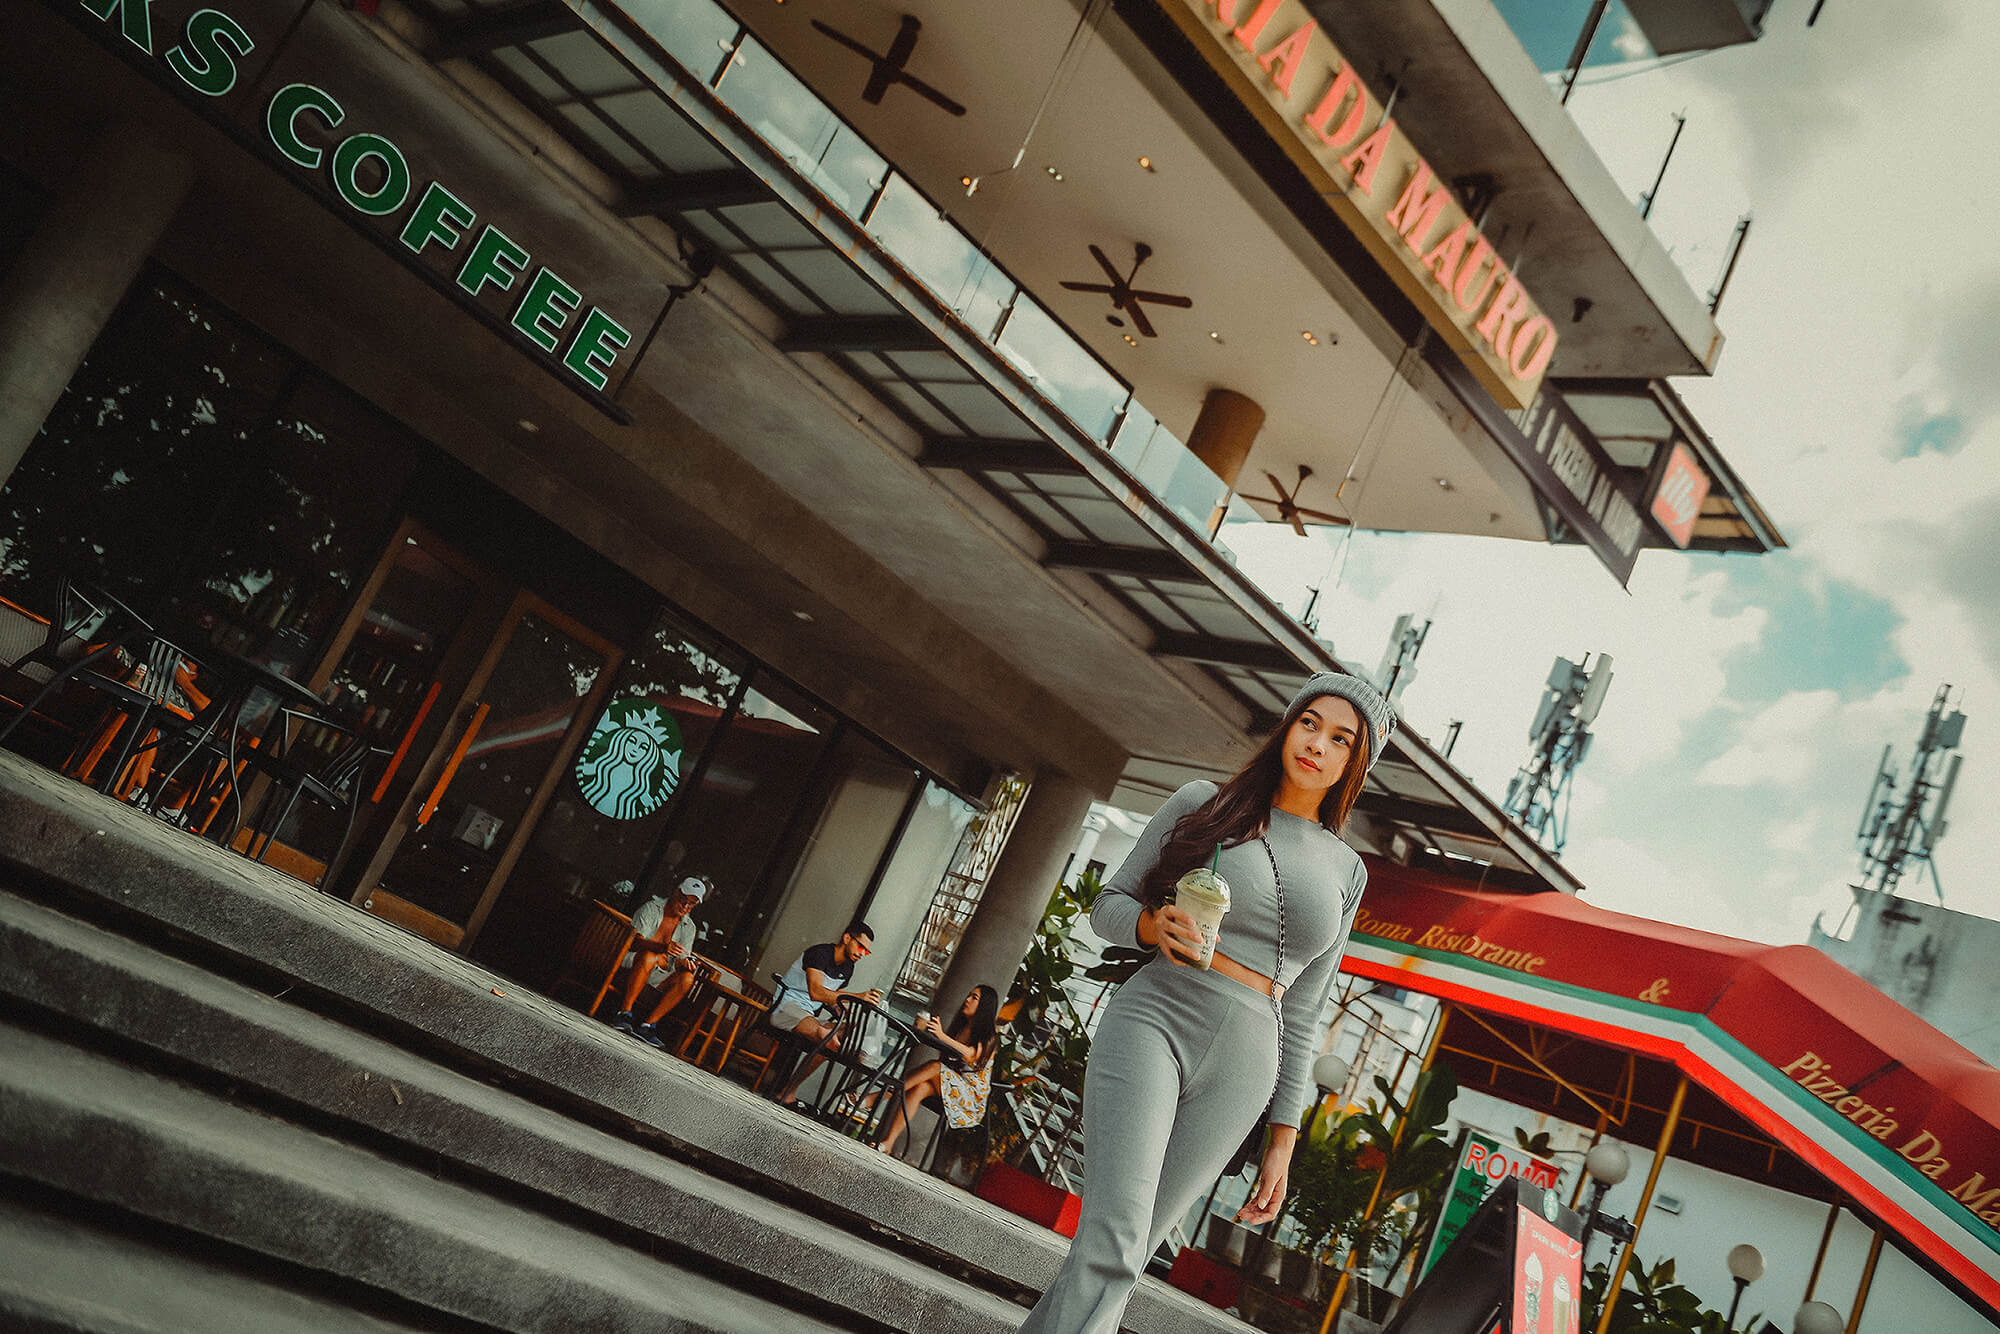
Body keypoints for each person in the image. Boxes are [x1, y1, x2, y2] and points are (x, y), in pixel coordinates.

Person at [1016, 671, 1394, 1334]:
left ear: (1353, 764)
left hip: (1248, 1062)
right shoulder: (1205, 803)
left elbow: (1305, 1013)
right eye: (1310, 723)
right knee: (1115, 1241)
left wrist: (1282, 1142)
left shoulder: (1347, 870)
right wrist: (1149, 926)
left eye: (1341, 739)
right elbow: (1108, 904)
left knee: (1123, 1259)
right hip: (1156, 1019)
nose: (1318, 744)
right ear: (1289, 724)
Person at [872, 983, 1000, 1156]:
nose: (967, 1000)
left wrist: (942, 1036)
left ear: (984, 1006)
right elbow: (948, 1056)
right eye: (969, 995)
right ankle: (888, 1143)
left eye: (974, 997)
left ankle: (879, 1095)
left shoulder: (990, 1038)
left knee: (935, 1066)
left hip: (971, 1101)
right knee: (920, 1088)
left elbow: (970, 1056)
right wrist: (928, 1031)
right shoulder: (961, 1028)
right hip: (952, 1087)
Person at [771, 920, 882, 1103]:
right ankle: (787, 1093)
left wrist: (841, 1010)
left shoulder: (848, 968)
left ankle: (853, 1085)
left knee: (852, 1032)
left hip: (809, 1016)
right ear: (847, 938)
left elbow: (832, 997)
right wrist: (856, 997)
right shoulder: (820, 953)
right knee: (829, 1040)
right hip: (785, 1009)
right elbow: (816, 992)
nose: (862, 954)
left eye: (866, 951)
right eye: (860, 946)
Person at [607, 875, 712, 1048]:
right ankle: (624, 1013)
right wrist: (661, 948)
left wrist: (684, 964)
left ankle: (647, 1025)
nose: (685, 906)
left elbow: (678, 960)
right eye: (683, 900)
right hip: (631, 961)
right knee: (649, 955)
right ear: (676, 892)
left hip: (658, 974)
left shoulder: (689, 927)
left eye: (691, 904)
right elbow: (634, 942)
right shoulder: (651, 908)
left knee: (687, 978)